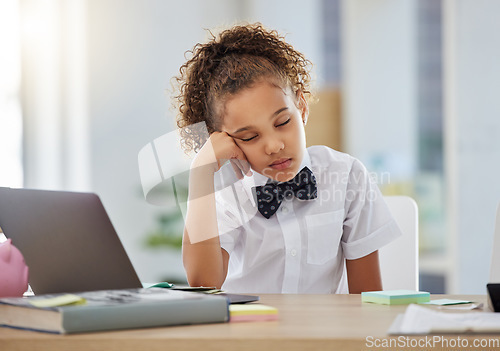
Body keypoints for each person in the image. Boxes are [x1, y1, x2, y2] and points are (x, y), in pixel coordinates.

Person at [174, 23, 401, 294]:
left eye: (282, 122)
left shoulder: (347, 176)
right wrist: (200, 171)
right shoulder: (227, 191)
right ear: (224, 141)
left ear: (302, 107)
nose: (273, 145)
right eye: (249, 137)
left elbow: (367, 299)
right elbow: (203, 284)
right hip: (245, 334)